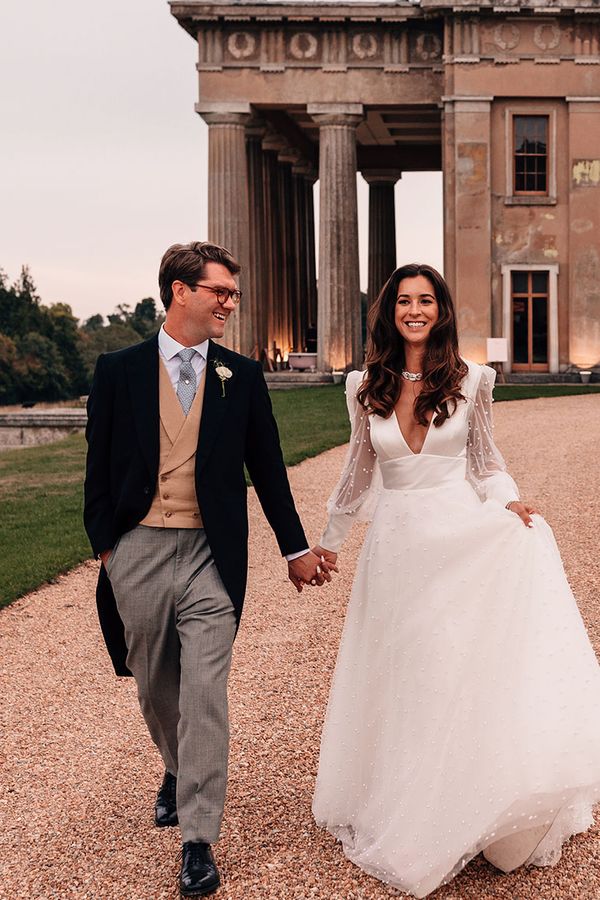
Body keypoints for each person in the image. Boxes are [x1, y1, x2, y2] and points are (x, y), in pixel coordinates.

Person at [311, 263, 600, 898]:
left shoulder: (473, 381)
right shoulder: (364, 385)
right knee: (407, 670)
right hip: (396, 549)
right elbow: (358, 473)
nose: (415, 310)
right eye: (404, 301)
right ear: (388, 311)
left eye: (426, 300)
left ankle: (472, 802)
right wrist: (327, 545)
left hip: (458, 538)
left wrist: (510, 504)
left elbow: (485, 460)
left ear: (441, 310)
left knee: (453, 664)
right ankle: (412, 801)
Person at [84, 240, 333, 898]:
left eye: (233, 292)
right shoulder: (118, 370)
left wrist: (294, 547)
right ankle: (175, 766)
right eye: (219, 290)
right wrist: (107, 547)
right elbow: (98, 468)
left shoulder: (240, 376)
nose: (231, 301)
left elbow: (270, 469)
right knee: (155, 688)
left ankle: (198, 837)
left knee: (205, 695)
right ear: (179, 292)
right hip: (136, 547)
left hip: (210, 556)